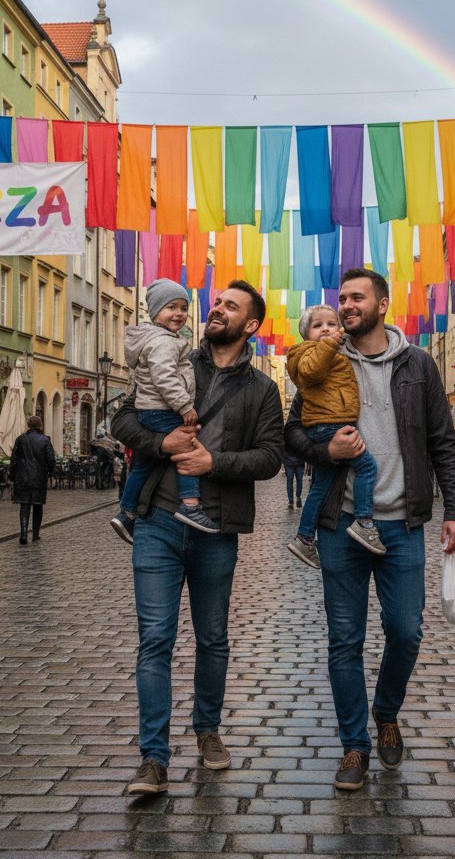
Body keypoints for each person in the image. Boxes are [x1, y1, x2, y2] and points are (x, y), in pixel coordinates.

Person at [284, 268, 455, 792]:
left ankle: (386, 712)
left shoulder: (418, 364)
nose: (346, 305)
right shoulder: (323, 359)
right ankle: (354, 745)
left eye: (357, 298)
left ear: (382, 305)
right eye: (341, 298)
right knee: (344, 640)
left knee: (406, 632)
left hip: (401, 522)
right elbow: (291, 434)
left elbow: (442, 440)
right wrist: (326, 450)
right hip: (340, 524)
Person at [113, 280, 283, 796]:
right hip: (159, 521)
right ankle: (153, 758)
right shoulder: (172, 355)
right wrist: (160, 442)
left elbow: (271, 457)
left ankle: (207, 729)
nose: (217, 309)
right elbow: (122, 419)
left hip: (217, 525)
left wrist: (215, 462)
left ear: (250, 325)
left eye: (231, 306)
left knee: (212, 638)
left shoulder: (262, 389)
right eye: (218, 302)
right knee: (155, 640)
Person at [110, 278, 214, 544]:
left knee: (145, 463)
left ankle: (126, 512)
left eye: (183, 308)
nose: (179, 313)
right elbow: (165, 377)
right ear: (155, 311)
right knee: (187, 448)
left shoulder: (159, 339)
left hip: (149, 409)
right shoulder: (163, 342)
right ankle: (190, 505)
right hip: (163, 409)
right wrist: (184, 405)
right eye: (171, 307)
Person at [286, 304, 381, 570]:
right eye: (318, 326)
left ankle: (305, 537)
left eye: (331, 324)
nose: (326, 329)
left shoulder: (331, 353)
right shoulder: (306, 352)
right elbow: (311, 371)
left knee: (321, 486)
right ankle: (364, 522)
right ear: (305, 334)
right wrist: (329, 346)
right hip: (329, 424)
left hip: (330, 422)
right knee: (367, 467)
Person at [11, 414, 56, 545]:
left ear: (28, 425)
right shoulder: (45, 440)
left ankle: (23, 533)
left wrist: (12, 475)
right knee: (37, 505)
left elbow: (14, 459)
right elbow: (51, 459)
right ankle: (35, 534)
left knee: (24, 505)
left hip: (22, 477)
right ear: (40, 425)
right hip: (39, 477)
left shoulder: (20, 439)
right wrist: (50, 471)